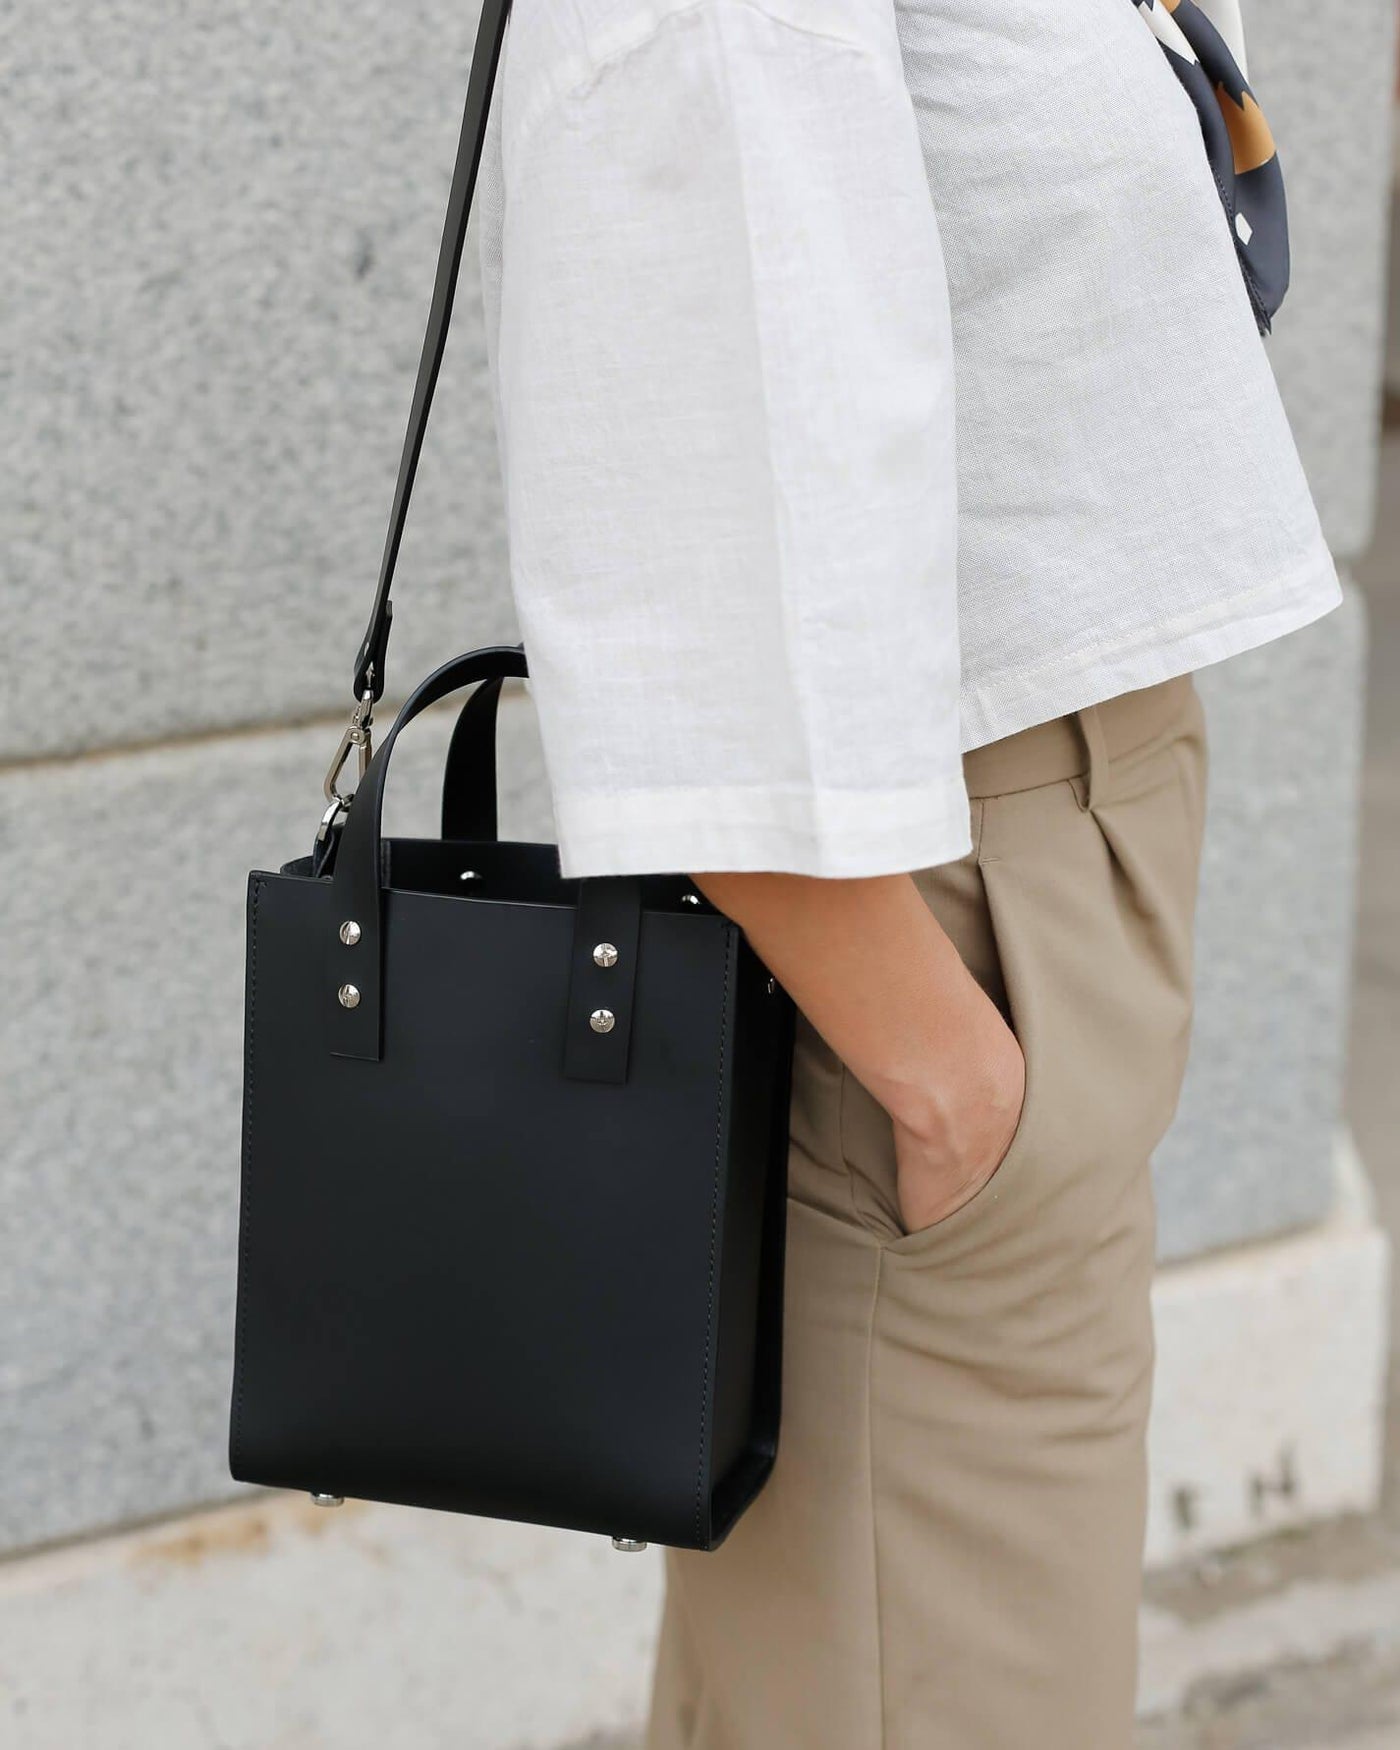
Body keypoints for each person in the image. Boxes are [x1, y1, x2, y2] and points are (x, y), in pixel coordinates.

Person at [475, 0, 1342, 1742]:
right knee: (934, 1685)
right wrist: (952, 1083)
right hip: (931, 916)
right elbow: (684, 534)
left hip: (1041, 854)